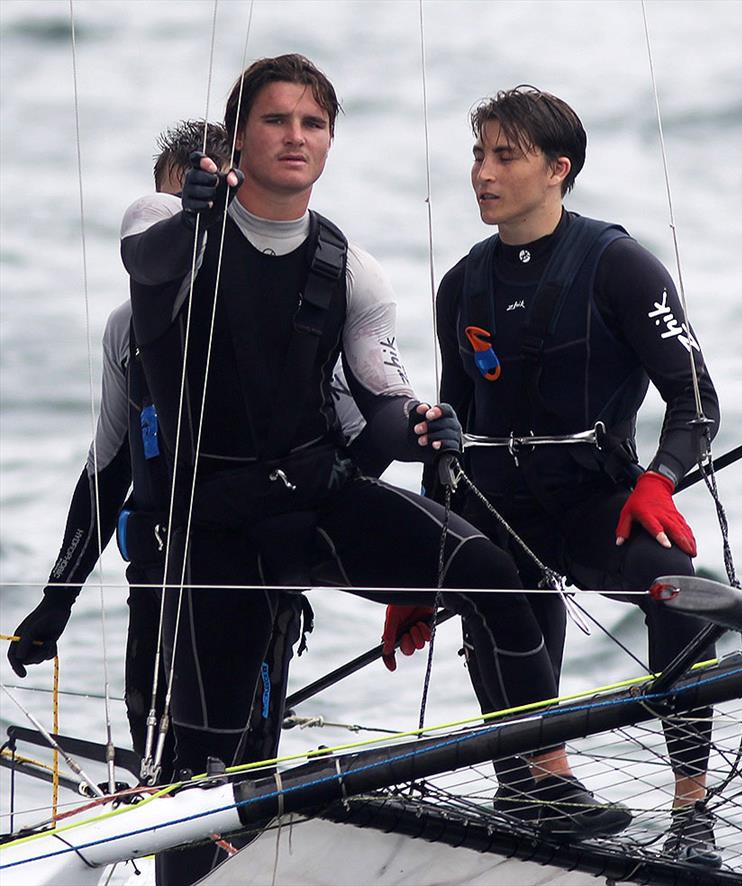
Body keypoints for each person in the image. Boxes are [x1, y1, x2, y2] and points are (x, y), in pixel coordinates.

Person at [120, 55, 629, 884]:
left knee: (497, 578)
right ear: (240, 135)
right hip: (213, 530)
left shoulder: (350, 266)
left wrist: (421, 423)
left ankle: (539, 785)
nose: (295, 137)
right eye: (276, 120)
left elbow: (381, 396)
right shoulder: (168, 216)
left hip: (315, 500)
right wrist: (198, 214)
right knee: (203, 773)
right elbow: (148, 271)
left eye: (313, 123)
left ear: (329, 143)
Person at [406, 85, 721, 866]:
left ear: (557, 169)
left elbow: (696, 400)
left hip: (594, 501)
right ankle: (537, 784)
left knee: (676, 582)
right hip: (498, 507)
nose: (483, 171)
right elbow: (448, 432)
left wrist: (660, 481)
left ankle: (692, 808)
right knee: (488, 575)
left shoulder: (619, 266)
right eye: (478, 154)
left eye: (504, 156)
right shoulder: (461, 286)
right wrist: (419, 563)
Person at [6, 121, 315, 775]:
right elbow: (108, 468)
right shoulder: (127, 328)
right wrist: (58, 599)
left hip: (252, 589)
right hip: (157, 584)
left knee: (237, 777)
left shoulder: (293, 312)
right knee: (156, 769)